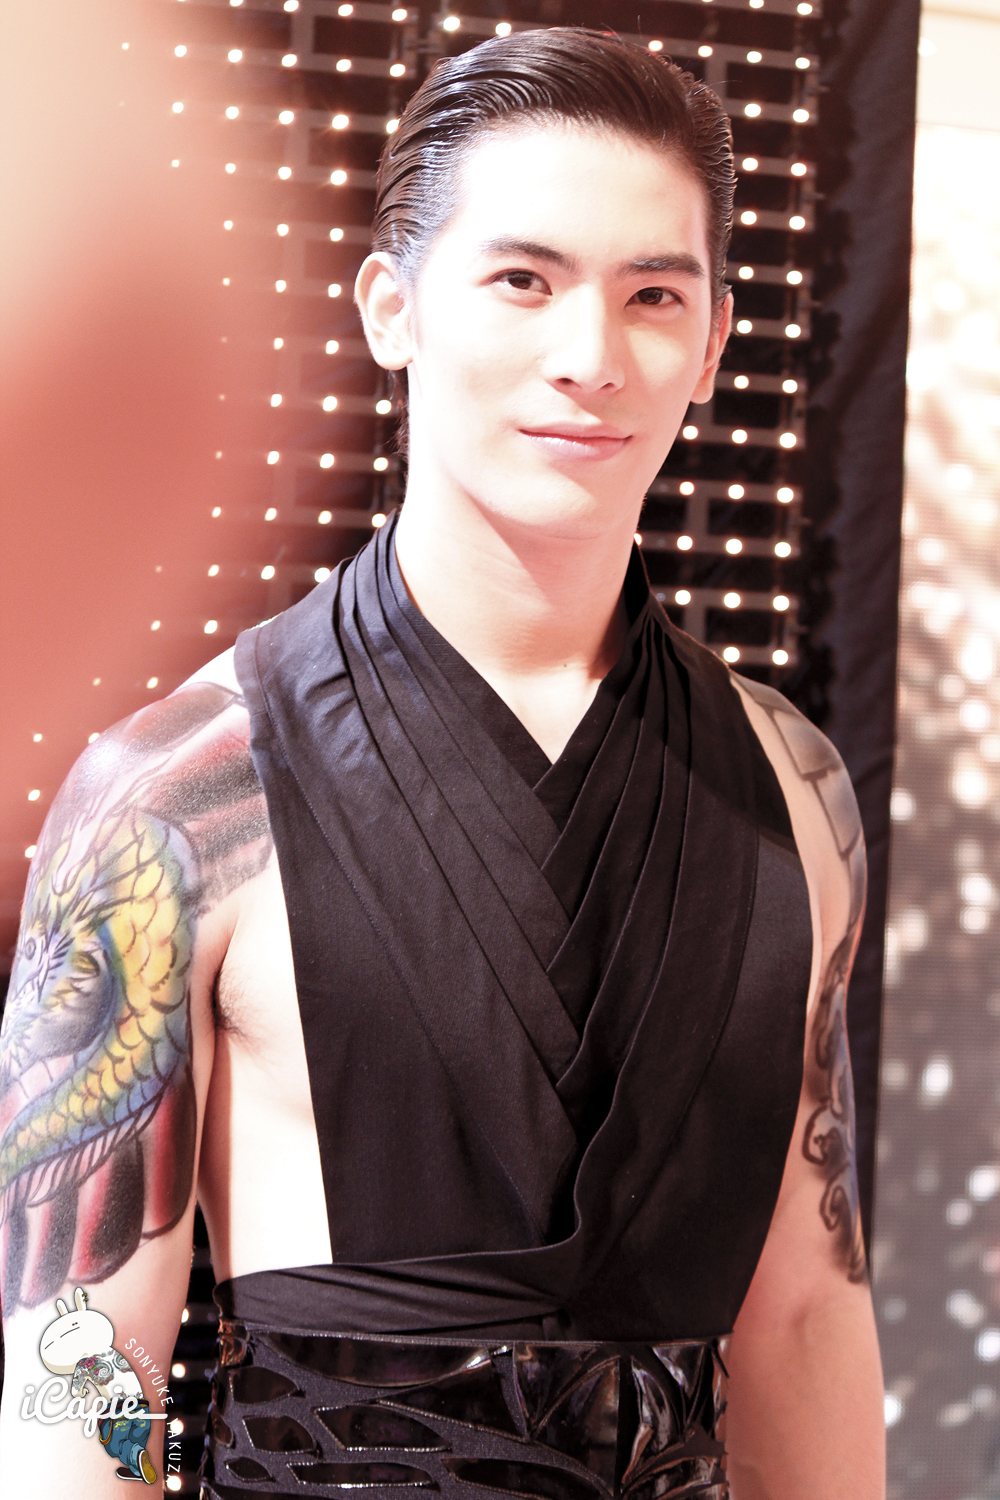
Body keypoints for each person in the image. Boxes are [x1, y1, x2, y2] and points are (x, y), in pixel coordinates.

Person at [0, 29, 885, 1498]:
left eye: (652, 295)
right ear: (391, 308)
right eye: (523, 280)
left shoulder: (792, 789)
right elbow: (81, 1350)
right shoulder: (180, 791)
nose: (591, 357)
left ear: (715, 343)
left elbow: (803, 1317)